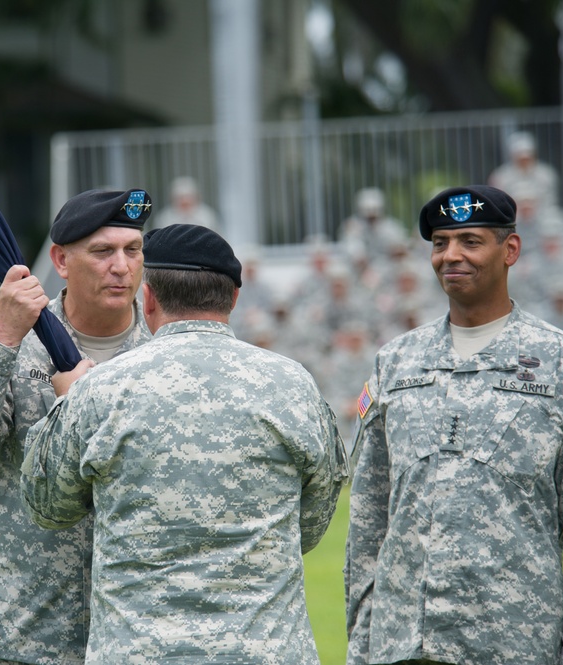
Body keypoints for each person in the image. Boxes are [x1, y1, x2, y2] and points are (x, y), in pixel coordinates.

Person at [20, 224, 349, 664]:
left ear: (149, 298)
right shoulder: (294, 384)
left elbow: (47, 505)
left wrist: (67, 402)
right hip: (265, 650)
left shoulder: (102, 389)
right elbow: (309, 523)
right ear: (233, 299)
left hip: (138, 651)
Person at [345, 185, 563, 664]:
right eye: (440, 243)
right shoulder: (396, 362)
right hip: (402, 646)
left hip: (510, 646)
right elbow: (369, 519)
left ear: (510, 250)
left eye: (470, 241)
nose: (451, 256)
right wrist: (362, 645)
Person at [0, 188, 153, 665]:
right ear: (61, 261)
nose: (122, 267)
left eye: (133, 251)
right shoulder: (15, 339)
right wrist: (3, 338)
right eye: (103, 251)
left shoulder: (164, 355)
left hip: (133, 637)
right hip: (18, 633)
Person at [488, 131, 559, 204]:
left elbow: (550, 199)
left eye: (527, 158)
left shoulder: (546, 174)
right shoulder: (501, 176)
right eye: (520, 158)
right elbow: (498, 199)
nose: (524, 162)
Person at [151, 176, 220, 232]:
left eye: (188, 197)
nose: (185, 201)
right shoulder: (164, 218)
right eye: (180, 198)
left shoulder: (207, 216)